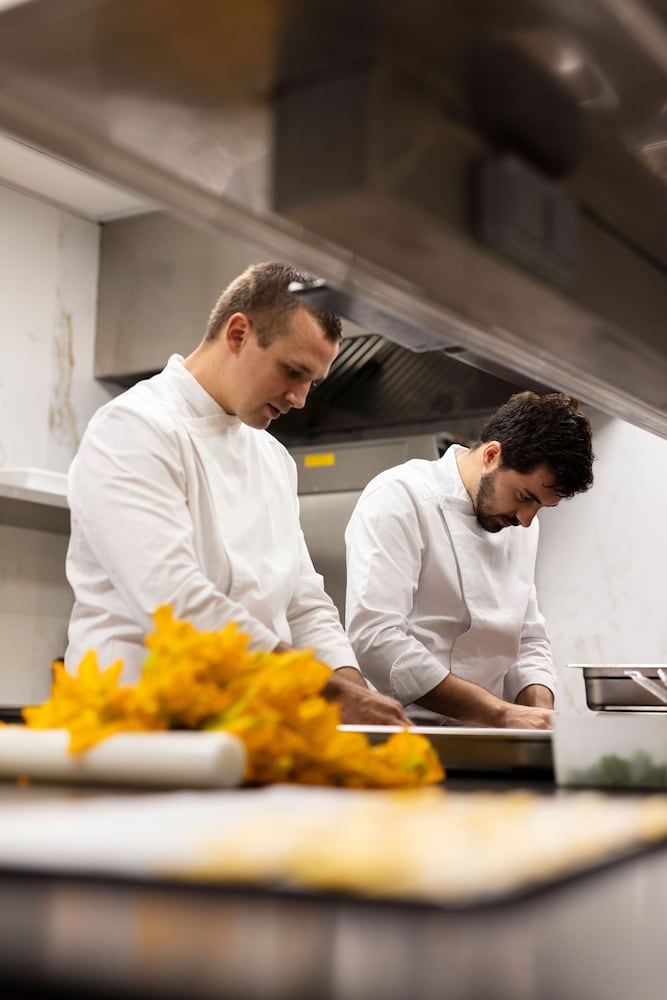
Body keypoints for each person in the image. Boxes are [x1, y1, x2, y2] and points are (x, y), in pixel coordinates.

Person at [65, 261, 409, 726]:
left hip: (244, 725)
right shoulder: (133, 428)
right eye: (293, 371)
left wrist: (356, 698)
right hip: (136, 726)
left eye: (312, 382)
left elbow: (303, 603)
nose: (300, 399)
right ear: (238, 334)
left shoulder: (272, 457)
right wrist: (323, 690)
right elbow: (173, 602)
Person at [344, 391, 594, 730]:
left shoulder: (519, 523)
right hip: (406, 731)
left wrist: (541, 715)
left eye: (541, 507)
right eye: (524, 496)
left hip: (488, 734)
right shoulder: (401, 496)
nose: (526, 520)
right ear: (491, 455)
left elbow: (527, 639)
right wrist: (500, 713)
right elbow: (376, 638)